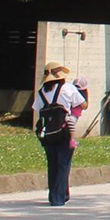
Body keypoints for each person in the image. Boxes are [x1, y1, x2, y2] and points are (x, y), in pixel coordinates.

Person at [31, 63, 85, 206]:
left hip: (47, 133)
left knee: (52, 164)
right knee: (63, 164)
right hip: (64, 131)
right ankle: (58, 198)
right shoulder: (68, 88)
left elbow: (37, 108)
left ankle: (54, 195)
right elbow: (83, 104)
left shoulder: (41, 92)